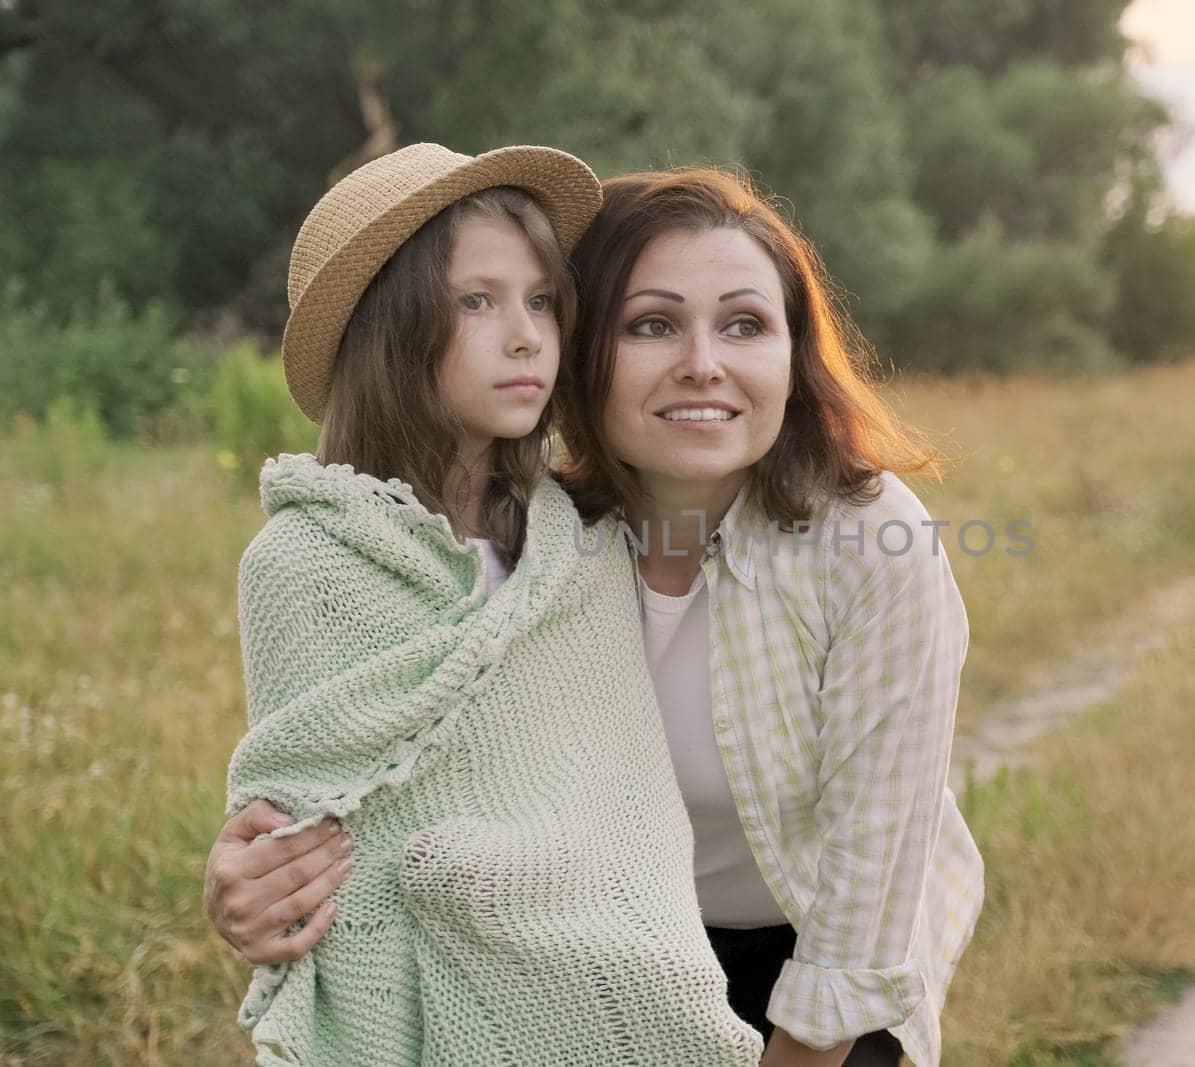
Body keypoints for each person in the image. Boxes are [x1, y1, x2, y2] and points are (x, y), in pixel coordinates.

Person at [207, 166, 983, 1067]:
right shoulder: (544, 544)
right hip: (585, 964)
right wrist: (249, 883)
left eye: (745, 324)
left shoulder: (869, 540)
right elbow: (394, 783)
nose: (704, 362)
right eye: (652, 324)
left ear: (793, 355)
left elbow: (871, 884)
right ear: (592, 356)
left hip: (815, 970)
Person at [218, 142, 762, 1066]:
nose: (527, 336)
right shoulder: (304, 564)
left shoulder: (583, 545)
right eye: (477, 301)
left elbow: (620, 811)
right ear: (391, 327)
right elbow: (302, 828)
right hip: (415, 1001)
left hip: (621, 981)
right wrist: (245, 880)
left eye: (543, 301)